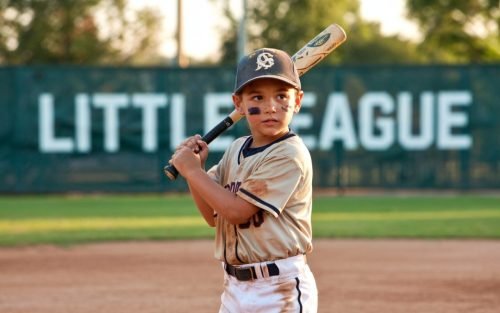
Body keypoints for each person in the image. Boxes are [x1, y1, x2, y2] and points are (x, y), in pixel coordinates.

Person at [170, 47, 318, 312]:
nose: (270, 107)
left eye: (282, 96)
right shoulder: (236, 149)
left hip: (279, 289)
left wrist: (191, 172)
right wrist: (197, 173)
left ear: (297, 101)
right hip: (235, 289)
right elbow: (213, 216)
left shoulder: (289, 153)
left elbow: (237, 212)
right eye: (257, 97)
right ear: (238, 104)